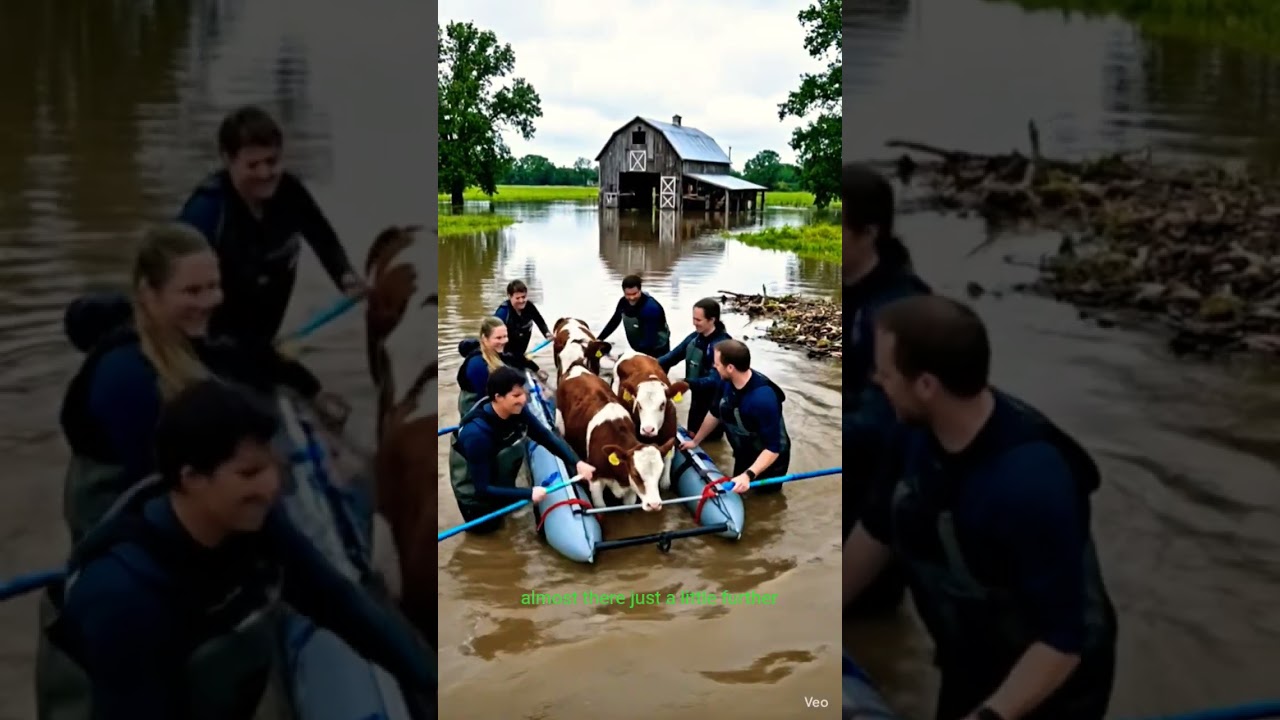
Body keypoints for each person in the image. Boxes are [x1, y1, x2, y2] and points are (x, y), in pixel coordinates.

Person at [41, 379, 435, 720]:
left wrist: (434, 681)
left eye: (274, 469)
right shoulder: (124, 596)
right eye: (249, 474)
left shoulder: (255, 528)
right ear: (191, 478)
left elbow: (340, 605)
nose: (271, 488)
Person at [842, 295, 1117, 720]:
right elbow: (876, 531)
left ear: (927, 385)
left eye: (887, 373)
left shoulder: (1030, 483)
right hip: (969, 656)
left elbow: (1062, 642)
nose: (877, 380)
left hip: (1050, 683)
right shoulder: (913, 432)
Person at [58, 222, 346, 543]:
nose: (209, 301)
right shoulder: (124, 376)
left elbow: (251, 357)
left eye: (214, 286)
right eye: (192, 291)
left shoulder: (187, 336)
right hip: (126, 514)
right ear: (149, 294)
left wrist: (313, 391)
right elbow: (160, 488)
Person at [177, 105, 367, 350]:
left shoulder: (291, 192)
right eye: (253, 165)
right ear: (228, 160)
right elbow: (172, 283)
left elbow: (323, 238)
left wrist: (346, 277)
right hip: (209, 347)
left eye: (272, 161)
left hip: (261, 343)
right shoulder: (206, 211)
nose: (265, 173)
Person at [843, 161, 931, 615]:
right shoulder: (851, 292)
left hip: (888, 476)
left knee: (869, 609)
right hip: (854, 470)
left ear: (869, 233)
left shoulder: (901, 308)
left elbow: (887, 420)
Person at [449, 367, 595, 534]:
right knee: (488, 535)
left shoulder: (517, 412)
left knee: (507, 522)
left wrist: (576, 463)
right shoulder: (476, 435)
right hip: (476, 496)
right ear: (498, 397)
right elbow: (482, 489)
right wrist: (528, 493)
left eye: (524, 393)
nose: (524, 399)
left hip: (497, 477)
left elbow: (544, 436)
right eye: (516, 396)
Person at [678, 340, 789, 496]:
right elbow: (715, 412)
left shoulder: (763, 399)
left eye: (717, 364)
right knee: (739, 492)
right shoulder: (726, 382)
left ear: (730, 367)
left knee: (764, 502)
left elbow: (773, 448)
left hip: (770, 460)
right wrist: (696, 441)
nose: (714, 367)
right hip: (744, 450)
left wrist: (748, 475)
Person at [658, 297, 732, 441]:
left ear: (712, 320)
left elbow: (716, 380)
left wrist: (687, 383)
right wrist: (646, 364)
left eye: (699, 320)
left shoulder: (722, 345)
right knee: (692, 434)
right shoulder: (694, 338)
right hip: (697, 400)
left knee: (710, 441)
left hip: (714, 403)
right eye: (693, 319)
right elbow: (671, 357)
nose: (694, 323)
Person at [456, 317, 546, 416]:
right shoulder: (477, 365)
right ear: (485, 339)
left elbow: (517, 358)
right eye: (498, 338)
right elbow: (488, 401)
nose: (503, 341)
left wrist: (537, 370)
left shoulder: (497, 352)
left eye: (505, 336)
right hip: (478, 412)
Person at [596, 274, 671, 356]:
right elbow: (614, 322)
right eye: (628, 294)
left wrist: (632, 355)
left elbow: (650, 339)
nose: (631, 298)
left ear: (640, 290)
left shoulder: (651, 308)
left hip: (658, 350)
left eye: (634, 294)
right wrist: (599, 339)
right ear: (624, 292)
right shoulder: (623, 303)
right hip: (639, 348)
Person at [494, 279, 551, 358]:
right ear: (509, 296)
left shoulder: (529, 307)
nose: (521, 301)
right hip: (504, 355)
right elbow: (492, 335)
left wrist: (547, 334)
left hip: (520, 354)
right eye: (517, 298)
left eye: (523, 297)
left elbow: (539, 321)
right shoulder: (503, 312)